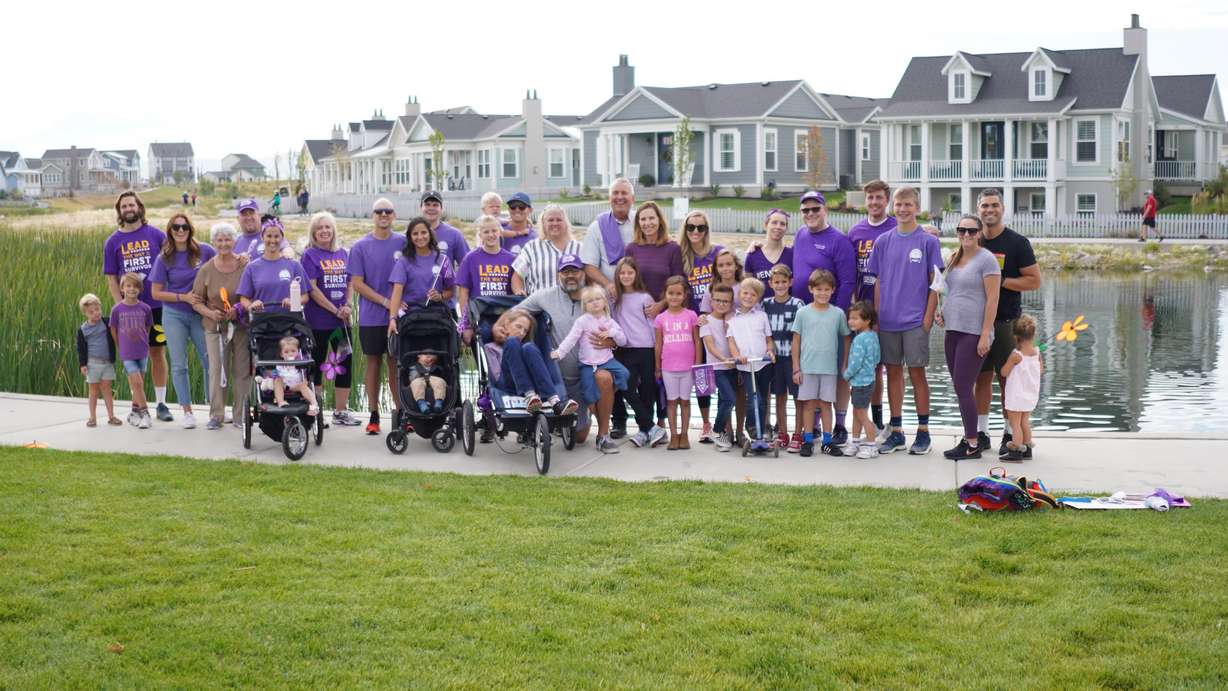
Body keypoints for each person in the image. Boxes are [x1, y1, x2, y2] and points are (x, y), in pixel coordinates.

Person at [867, 186, 941, 455]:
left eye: (908, 204)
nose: (903, 209)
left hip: (914, 322)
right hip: (887, 321)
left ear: (917, 208)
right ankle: (896, 431)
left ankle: (923, 432)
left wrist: (928, 317)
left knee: (918, 374)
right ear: (892, 207)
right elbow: (877, 282)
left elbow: (936, 284)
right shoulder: (883, 241)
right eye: (898, 204)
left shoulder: (928, 242)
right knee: (893, 373)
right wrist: (876, 317)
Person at [518, 254, 619, 445]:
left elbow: (616, 329)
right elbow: (516, 313)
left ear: (583, 273)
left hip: (589, 372)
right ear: (558, 275)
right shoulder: (543, 296)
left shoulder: (598, 297)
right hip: (559, 378)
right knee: (579, 438)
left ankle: (603, 434)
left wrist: (611, 342)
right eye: (565, 272)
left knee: (605, 378)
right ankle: (573, 418)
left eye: (574, 270)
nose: (570, 275)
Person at [973, 188, 1041, 458]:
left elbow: (1034, 281)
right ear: (978, 210)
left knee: (1007, 380)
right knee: (981, 378)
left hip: (1006, 322)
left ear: (1003, 208)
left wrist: (1000, 281)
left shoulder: (1017, 243)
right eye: (984, 206)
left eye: (994, 205)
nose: (989, 210)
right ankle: (981, 432)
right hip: (976, 324)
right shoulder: (973, 241)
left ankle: (1010, 433)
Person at [790, 190, 857, 446]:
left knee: (836, 373)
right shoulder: (800, 234)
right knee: (810, 371)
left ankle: (839, 425)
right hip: (805, 318)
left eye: (815, 209)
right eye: (805, 210)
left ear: (824, 209)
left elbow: (848, 280)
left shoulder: (838, 240)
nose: (810, 214)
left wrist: (833, 317)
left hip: (830, 320)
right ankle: (814, 426)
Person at [937, 215, 1001, 461]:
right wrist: (942, 312)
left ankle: (973, 444)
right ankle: (969, 438)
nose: (966, 235)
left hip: (974, 332)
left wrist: (986, 334)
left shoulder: (987, 260)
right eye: (962, 230)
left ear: (979, 233)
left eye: (971, 231)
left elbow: (993, 299)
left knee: (964, 386)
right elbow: (952, 291)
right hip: (953, 329)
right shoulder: (954, 258)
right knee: (959, 386)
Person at [103, 191, 170, 421]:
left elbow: (173, 262)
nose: (128, 209)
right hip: (131, 310)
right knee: (134, 357)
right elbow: (111, 278)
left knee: (157, 353)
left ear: (139, 207)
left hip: (158, 306)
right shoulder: (112, 242)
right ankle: (138, 407)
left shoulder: (157, 234)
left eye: (131, 204)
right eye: (124, 206)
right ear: (119, 211)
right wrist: (119, 306)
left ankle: (161, 404)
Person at [150, 212, 215, 429]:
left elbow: (225, 260)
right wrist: (182, 297)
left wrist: (242, 259)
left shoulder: (203, 250)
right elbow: (156, 293)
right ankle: (187, 411)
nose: (180, 231)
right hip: (174, 314)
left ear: (190, 229)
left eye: (184, 227)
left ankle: (214, 407)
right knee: (179, 365)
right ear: (170, 230)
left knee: (209, 360)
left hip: (200, 314)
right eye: (176, 227)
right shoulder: (164, 258)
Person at [349, 198, 407, 435]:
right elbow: (357, 284)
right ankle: (373, 414)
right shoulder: (360, 246)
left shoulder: (403, 243)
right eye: (379, 211)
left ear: (394, 215)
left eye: (388, 211)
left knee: (396, 364)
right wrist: (385, 301)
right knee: (373, 362)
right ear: (372, 215)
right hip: (372, 317)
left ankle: (402, 413)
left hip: (399, 316)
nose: (383, 215)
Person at [551, 286, 630, 454]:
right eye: (589, 301)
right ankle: (595, 411)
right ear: (584, 306)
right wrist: (559, 353)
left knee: (624, 374)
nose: (594, 303)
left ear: (604, 302)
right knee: (589, 396)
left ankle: (609, 396)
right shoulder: (583, 321)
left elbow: (623, 340)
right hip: (587, 364)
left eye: (598, 299)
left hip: (607, 361)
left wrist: (612, 333)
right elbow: (571, 339)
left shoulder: (609, 320)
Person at [191, 222, 251, 431]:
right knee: (217, 370)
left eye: (228, 239)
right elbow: (196, 300)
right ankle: (216, 415)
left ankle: (241, 415)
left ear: (234, 241)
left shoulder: (245, 265)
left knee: (242, 370)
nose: (224, 243)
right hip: (214, 328)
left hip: (241, 327)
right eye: (220, 240)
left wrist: (240, 309)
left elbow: (251, 292)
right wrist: (210, 313)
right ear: (214, 242)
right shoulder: (206, 269)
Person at [847, 179, 896, 434]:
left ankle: (888, 420)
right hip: (864, 310)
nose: (875, 202)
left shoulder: (896, 227)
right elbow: (849, 270)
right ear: (865, 201)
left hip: (890, 307)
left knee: (888, 367)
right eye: (870, 198)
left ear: (887, 200)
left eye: (879, 197)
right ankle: (872, 421)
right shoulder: (856, 232)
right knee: (869, 367)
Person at [301, 211, 358, 426]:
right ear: (313, 233)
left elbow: (351, 282)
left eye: (327, 227)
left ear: (333, 230)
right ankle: (316, 412)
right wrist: (334, 310)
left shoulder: (343, 253)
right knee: (315, 365)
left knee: (343, 364)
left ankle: (340, 412)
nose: (324, 231)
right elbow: (312, 289)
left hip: (341, 323)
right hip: (318, 323)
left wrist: (349, 305)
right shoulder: (310, 255)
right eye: (319, 228)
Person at [790, 269, 849, 457]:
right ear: (811, 289)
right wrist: (796, 368)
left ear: (833, 290)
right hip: (807, 367)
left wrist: (845, 363)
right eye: (818, 289)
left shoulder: (838, 314)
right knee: (808, 405)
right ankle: (807, 441)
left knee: (826, 405)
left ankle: (827, 441)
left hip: (829, 368)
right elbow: (796, 341)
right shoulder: (803, 313)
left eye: (826, 289)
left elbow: (846, 338)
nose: (822, 293)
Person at [610, 257, 667, 449]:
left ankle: (644, 431)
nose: (626, 276)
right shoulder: (614, 298)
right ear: (617, 275)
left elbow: (653, 326)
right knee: (625, 387)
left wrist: (657, 353)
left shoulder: (644, 297)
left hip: (646, 349)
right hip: (625, 350)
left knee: (647, 390)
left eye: (630, 272)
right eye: (622, 273)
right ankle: (651, 427)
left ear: (636, 275)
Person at [486, 309, 578, 416]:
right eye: (518, 327)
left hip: (533, 387)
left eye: (525, 331)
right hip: (508, 384)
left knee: (529, 347)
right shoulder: (491, 348)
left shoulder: (525, 348)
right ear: (507, 324)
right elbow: (495, 376)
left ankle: (555, 402)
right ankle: (529, 395)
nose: (521, 333)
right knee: (512, 342)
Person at [653, 276, 700, 450]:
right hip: (668, 367)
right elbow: (658, 344)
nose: (674, 297)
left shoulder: (691, 315)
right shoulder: (660, 318)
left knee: (685, 401)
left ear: (684, 295)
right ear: (665, 294)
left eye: (678, 294)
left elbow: (697, 341)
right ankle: (673, 435)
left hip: (688, 367)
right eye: (671, 293)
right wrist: (657, 366)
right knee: (671, 401)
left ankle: (685, 434)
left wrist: (697, 364)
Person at [727, 277, 775, 444]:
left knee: (763, 398)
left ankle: (761, 429)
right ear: (739, 294)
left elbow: (769, 339)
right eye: (745, 293)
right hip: (747, 366)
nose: (748, 297)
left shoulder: (761, 316)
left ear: (758, 298)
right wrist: (737, 356)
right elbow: (731, 342)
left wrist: (770, 350)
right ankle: (751, 427)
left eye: (753, 295)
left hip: (763, 363)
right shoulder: (732, 320)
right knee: (755, 398)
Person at [762, 265, 805, 452]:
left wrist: (799, 363)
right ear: (770, 283)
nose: (780, 285)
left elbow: (802, 333)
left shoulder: (797, 304)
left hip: (792, 357)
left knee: (798, 397)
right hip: (774, 358)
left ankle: (798, 433)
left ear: (790, 282)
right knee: (779, 396)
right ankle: (782, 432)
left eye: (784, 282)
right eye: (776, 282)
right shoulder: (765, 304)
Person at [456, 214, 515, 344]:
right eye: (486, 232)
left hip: (504, 314)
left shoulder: (511, 259)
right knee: (485, 334)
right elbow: (463, 293)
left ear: (500, 232)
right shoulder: (470, 258)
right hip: (480, 315)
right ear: (480, 235)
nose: (491, 235)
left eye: (494, 230)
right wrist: (466, 324)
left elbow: (516, 291)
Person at [236, 218, 310, 315]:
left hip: (289, 323)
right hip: (262, 323)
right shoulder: (252, 268)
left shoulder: (294, 265)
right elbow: (244, 298)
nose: (272, 240)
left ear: (282, 238)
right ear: (262, 238)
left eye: (276, 236)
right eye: (269, 236)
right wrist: (251, 306)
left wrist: (294, 301)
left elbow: (305, 296)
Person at [388, 218, 456, 319]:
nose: (420, 237)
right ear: (410, 237)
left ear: (430, 233)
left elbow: (451, 291)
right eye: (415, 234)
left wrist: (440, 296)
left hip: (437, 318)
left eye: (424, 232)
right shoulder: (403, 261)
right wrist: (392, 318)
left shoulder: (443, 260)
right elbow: (397, 291)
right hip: (411, 319)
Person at [110, 272, 154, 428]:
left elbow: (148, 327)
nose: (131, 289)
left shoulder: (146, 308)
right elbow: (113, 329)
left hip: (142, 351)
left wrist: (144, 342)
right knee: (136, 382)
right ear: (122, 289)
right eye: (128, 286)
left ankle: (134, 412)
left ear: (140, 289)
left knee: (138, 384)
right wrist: (120, 345)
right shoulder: (117, 309)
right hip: (127, 352)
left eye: (135, 286)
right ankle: (146, 414)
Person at [511, 204, 581, 296]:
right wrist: (519, 292)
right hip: (538, 306)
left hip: (572, 305)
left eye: (559, 220)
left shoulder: (580, 248)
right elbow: (517, 275)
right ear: (543, 223)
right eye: (550, 220)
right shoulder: (532, 247)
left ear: (565, 223)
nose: (555, 223)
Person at [699, 283, 737, 451]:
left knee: (723, 401)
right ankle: (715, 430)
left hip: (732, 367)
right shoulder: (706, 321)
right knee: (730, 399)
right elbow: (710, 345)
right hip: (717, 367)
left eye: (726, 301)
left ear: (731, 303)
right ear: (711, 301)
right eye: (718, 300)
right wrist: (724, 359)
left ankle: (721, 436)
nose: (722, 304)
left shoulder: (732, 320)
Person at [580, 178, 636, 292]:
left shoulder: (642, 222)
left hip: (639, 291)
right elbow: (589, 265)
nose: (619, 197)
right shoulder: (596, 227)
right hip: (610, 294)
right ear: (609, 198)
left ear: (633, 199)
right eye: (615, 193)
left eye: (624, 193)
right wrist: (608, 285)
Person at [1000, 314, 1041, 462]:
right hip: (1030, 395)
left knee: (1015, 424)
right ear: (1033, 335)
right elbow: (1041, 370)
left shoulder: (1016, 355)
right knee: (1025, 422)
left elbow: (1004, 372)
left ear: (1016, 337)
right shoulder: (1037, 353)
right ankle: (1027, 449)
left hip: (1016, 395)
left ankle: (1016, 450)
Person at [842, 301, 881, 459]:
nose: (851, 321)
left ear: (867, 320)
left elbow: (855, 363)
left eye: (855, 318)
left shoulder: (859, 339)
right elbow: (877, 358)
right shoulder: (873, 336)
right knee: (857, 414)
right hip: (868, 380)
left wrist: (846, 375)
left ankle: (871, 445)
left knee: (862, 414)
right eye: (850, 318)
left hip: (860, 383)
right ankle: (856, 442)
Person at [77, 293, 120, 427]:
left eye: (97, 310)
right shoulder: (83, 330)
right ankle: (92, 417)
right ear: (85, 314)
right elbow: (81, 348)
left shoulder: (107, 323)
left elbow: (117, 331)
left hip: (107, 363)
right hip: (92, 364)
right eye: (91, 312)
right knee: (93, 391)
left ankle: (111, 416)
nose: (96, 313)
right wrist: (83, 364)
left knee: (107, 389)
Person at [418, 190, 470, 274]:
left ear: (441, 209)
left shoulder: (454, 235)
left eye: (435, 205)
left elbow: (468, 264)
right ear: (421, 208)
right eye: (427, 204)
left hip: (445, 287)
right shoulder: (412, 235)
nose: (431, 208)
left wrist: (457, 282)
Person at [269, 336, 318, 415]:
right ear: (281, 354)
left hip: (295, 386)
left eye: (293, 351)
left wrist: (305, 380)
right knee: (277, 381)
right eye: (286, 352)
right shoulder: (279, 365)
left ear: (298, 352)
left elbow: (304, 375)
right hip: (283, 385)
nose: (290, 354)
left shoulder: (300, 364)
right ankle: (281, 402)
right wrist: (275, 376)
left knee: (303, 386)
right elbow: (274, 375)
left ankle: (314, 405)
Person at [744, 209, 793, 282]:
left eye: (782, 224)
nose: (778, 227)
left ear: (786, 229)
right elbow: (747, 287)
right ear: (766, 225)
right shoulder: (753, 255)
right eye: (774, 222)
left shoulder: (792, 255)